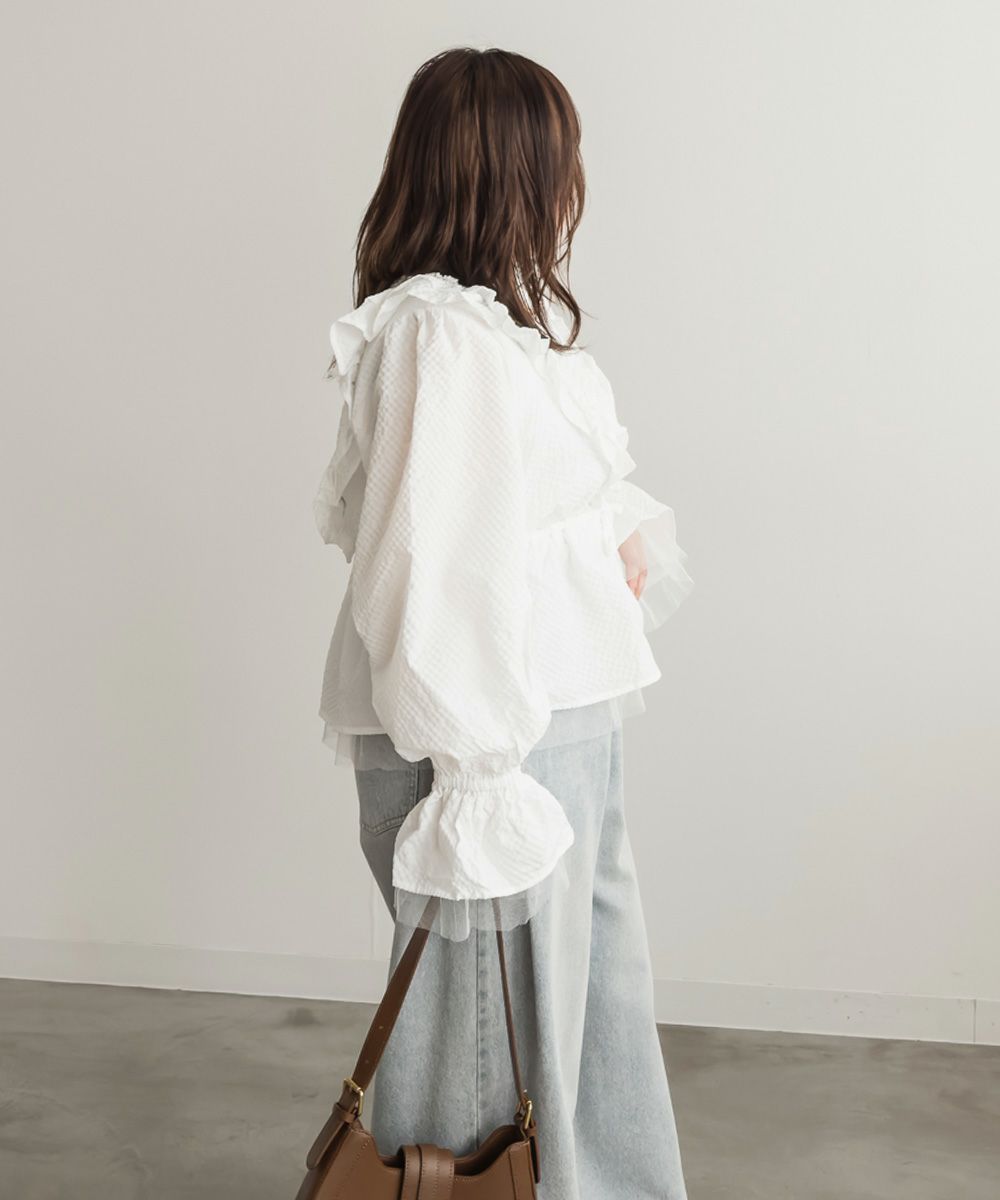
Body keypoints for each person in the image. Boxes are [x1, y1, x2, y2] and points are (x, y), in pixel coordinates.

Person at [313, 46, 693, 1200]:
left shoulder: (492, 330)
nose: (574, 180)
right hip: (496, 734)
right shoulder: (438, 338)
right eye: (561, 155)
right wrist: (474, 771)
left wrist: (610, 536)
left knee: (584, 1010)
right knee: (486, 1051)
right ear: (518, 170)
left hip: (554, 711)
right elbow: (424, 563)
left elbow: (520, 507)